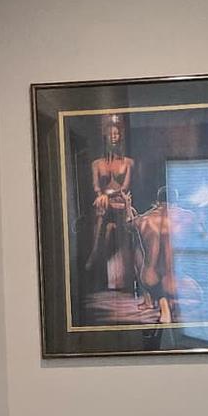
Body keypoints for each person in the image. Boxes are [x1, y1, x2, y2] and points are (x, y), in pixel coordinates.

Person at [133, 186, 206, 323]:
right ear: (176, 200)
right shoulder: (188, 216)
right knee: (199, 295)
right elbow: (202, 235)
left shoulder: (143, 218)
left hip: (149, 279)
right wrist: (200, 214)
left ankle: (163, 302)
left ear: (157, 201)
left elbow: (129, 225)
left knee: (138, 248)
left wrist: (128, 208)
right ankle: (168, 302)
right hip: (173, 281)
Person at [84, 114, 136, 291]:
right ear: (105, 137)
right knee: (102, 215)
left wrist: (107, 193)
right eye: (111, 134)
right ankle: (95, 255)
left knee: (123, 227)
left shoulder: (129, 162)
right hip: (104, 206)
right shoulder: (97, 164)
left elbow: (125, 187)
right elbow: (96, 187)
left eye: (117, 134)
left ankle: (128, 277)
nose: (114, 137)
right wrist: (102, 195)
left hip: (122, 204)